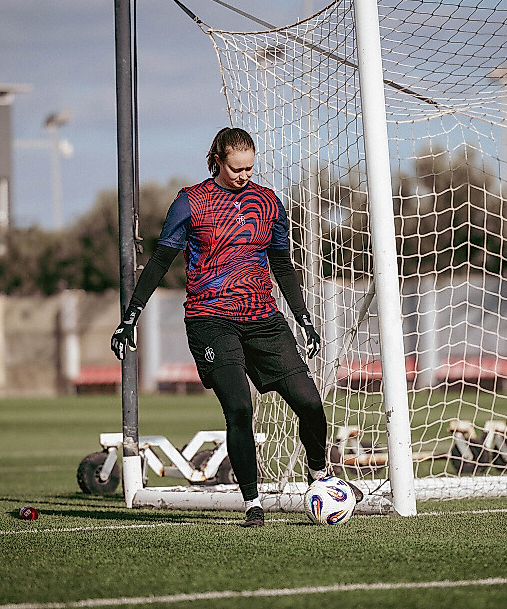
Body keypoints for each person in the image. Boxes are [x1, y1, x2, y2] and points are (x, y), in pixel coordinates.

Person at [110, 127, 361, 527]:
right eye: (236, 168)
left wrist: (303, 318)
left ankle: (319, 474)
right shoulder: (191, 202)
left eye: (249, 168)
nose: (244, 175)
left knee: (311, 404)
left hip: (263, 319)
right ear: (217, 160)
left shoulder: (268, 202)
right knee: (240, 407)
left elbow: (282, 265)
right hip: (210, 320)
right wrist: (131, 316)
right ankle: (252, 503)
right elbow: (159, 262)